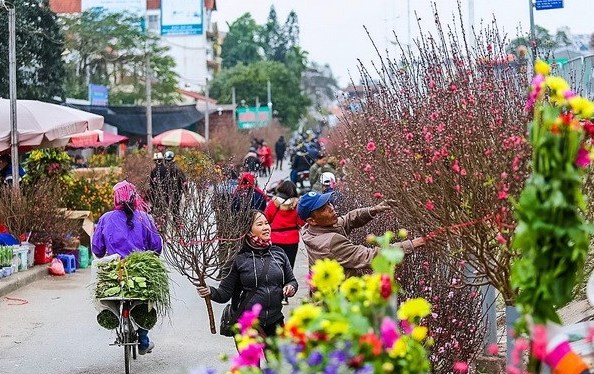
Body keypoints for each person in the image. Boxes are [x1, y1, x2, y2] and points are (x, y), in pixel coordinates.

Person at [196, 210, 298, 338]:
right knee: (252, 359)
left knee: (276, 359)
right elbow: (224, 294)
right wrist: (209, 292)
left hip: (275, 321)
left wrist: (291, 287)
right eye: (260, 224)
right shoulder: (237, 258)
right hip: (246, 323)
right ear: (249, 231)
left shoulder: (279, 253)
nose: (266, 227)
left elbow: (292, 280)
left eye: (266, 223)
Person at [92, 180, 163, 355]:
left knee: (104, 292)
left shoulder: (105, 218)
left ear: (115, 199)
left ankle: (113, 313)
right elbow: (156, 248)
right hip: (141, 271)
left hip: (114, 271)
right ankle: (143, 340)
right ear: (134, 198)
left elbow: (97, 250)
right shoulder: (145, 218)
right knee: (146, 296)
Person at [297, 192, 426, 278]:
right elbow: (370, 256)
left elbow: (347, 220)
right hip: (341, 304)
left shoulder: (310, 230)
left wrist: (373, 210)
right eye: (323, 209)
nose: (331, 208)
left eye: (328, 204)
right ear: (311, 220)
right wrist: (412, 244)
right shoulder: (330, 242)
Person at [264, 181, 304, 304]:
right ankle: (285, 295)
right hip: (292, 239)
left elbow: (266, 218)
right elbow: (301, 222)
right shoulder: (297, 205)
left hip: (275, 239)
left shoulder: (272, 204)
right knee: (288, 267)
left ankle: (274, 294)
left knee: (275, 267)